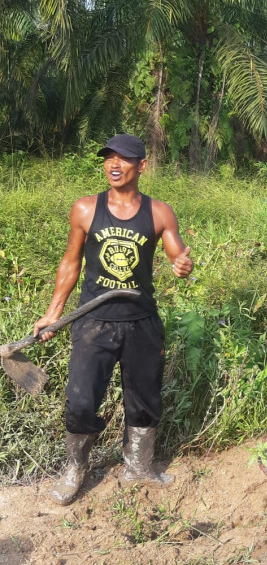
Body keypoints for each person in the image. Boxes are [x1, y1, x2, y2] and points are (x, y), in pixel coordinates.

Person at [34, 133, 193, 505]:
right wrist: (53, 312)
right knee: (81, 400)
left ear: (142, 166)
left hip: (142, 321)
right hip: (94, 321)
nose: (114, 165)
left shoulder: (159, 213)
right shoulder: (86, 209)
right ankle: (75, 469)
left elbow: (177, 256)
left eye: (123, 159)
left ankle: (139, 466)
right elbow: (71, 261)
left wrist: (183, 265)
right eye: (109, 158)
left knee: (144, 398)